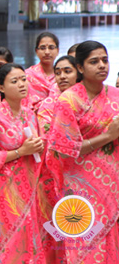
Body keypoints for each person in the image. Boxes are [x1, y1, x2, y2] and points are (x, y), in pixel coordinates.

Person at [47, 41, 119, 264]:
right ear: (80, 67)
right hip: (81, 185)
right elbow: (66, 150)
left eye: (105, 60)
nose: (102, 66)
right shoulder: (68, 101)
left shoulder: (116, 95)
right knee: (86, 241)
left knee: (113, 238)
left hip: (114, 182)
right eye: (94, 61)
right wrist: (108, 136)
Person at [0, 63, 46, 263]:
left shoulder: (29, 113)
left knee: (28, 232)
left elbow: (36, 146)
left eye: (23, 79)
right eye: (14, 81)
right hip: (4, 188)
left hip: (27, 185)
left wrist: (38, 146)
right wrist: (20, 151)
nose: (22, 84)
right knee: (8, 235)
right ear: (0, 87)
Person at [35, 55, 79, 264]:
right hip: (51, 177)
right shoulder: (47, 106)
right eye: (58, 72)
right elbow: (49, 141)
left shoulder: (89, 102)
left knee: (86, 226)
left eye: (67, 71)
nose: (62, 76)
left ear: (79, 72)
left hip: (86, 176)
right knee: (53, 227)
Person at [25, 32, 60, 111]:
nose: (47, 52)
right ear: (36, 51)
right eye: (43, 48)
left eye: (51, 47)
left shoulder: (62, 76)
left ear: (57, 50)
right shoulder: (28, 75)